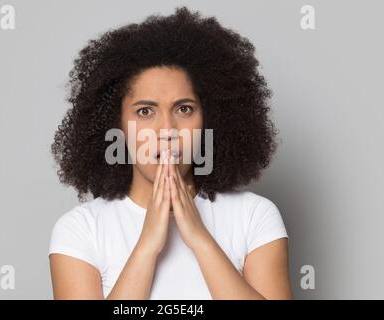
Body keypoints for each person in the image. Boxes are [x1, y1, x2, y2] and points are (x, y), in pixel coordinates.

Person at [48, 6, 291, 299]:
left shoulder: (253, 216)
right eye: (145, 111)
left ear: (210, 119)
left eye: (184, 108)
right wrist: (147, 246)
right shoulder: (80, 230)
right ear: (117, 125)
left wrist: (201, 240)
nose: (167, 130)